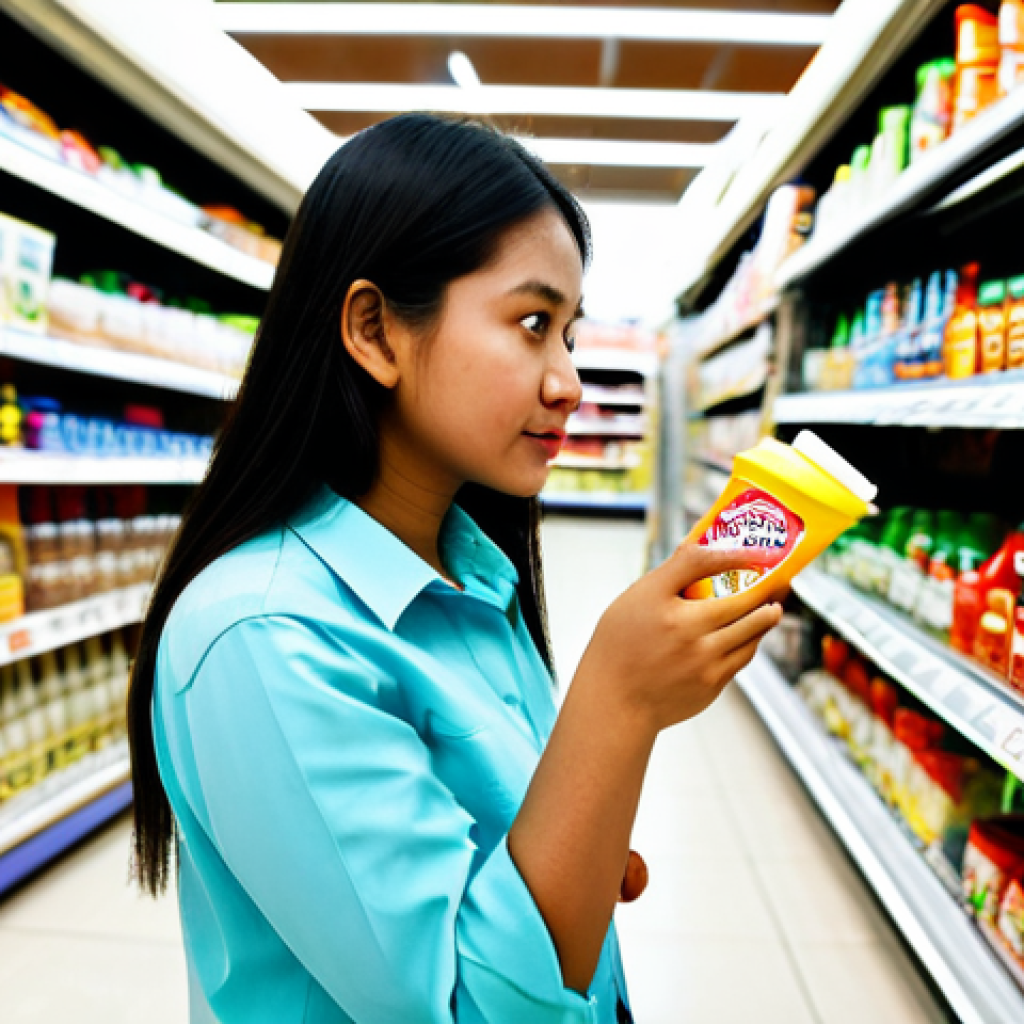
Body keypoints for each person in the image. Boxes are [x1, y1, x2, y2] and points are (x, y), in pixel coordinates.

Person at [127, 114, 782, 1024]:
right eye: (530, 323)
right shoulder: (265, 637)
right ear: (375, 329)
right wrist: (618, 703)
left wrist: (578, 852)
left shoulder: (471, 570)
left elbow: (510, 851)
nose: (569, 381)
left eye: (570, 334)